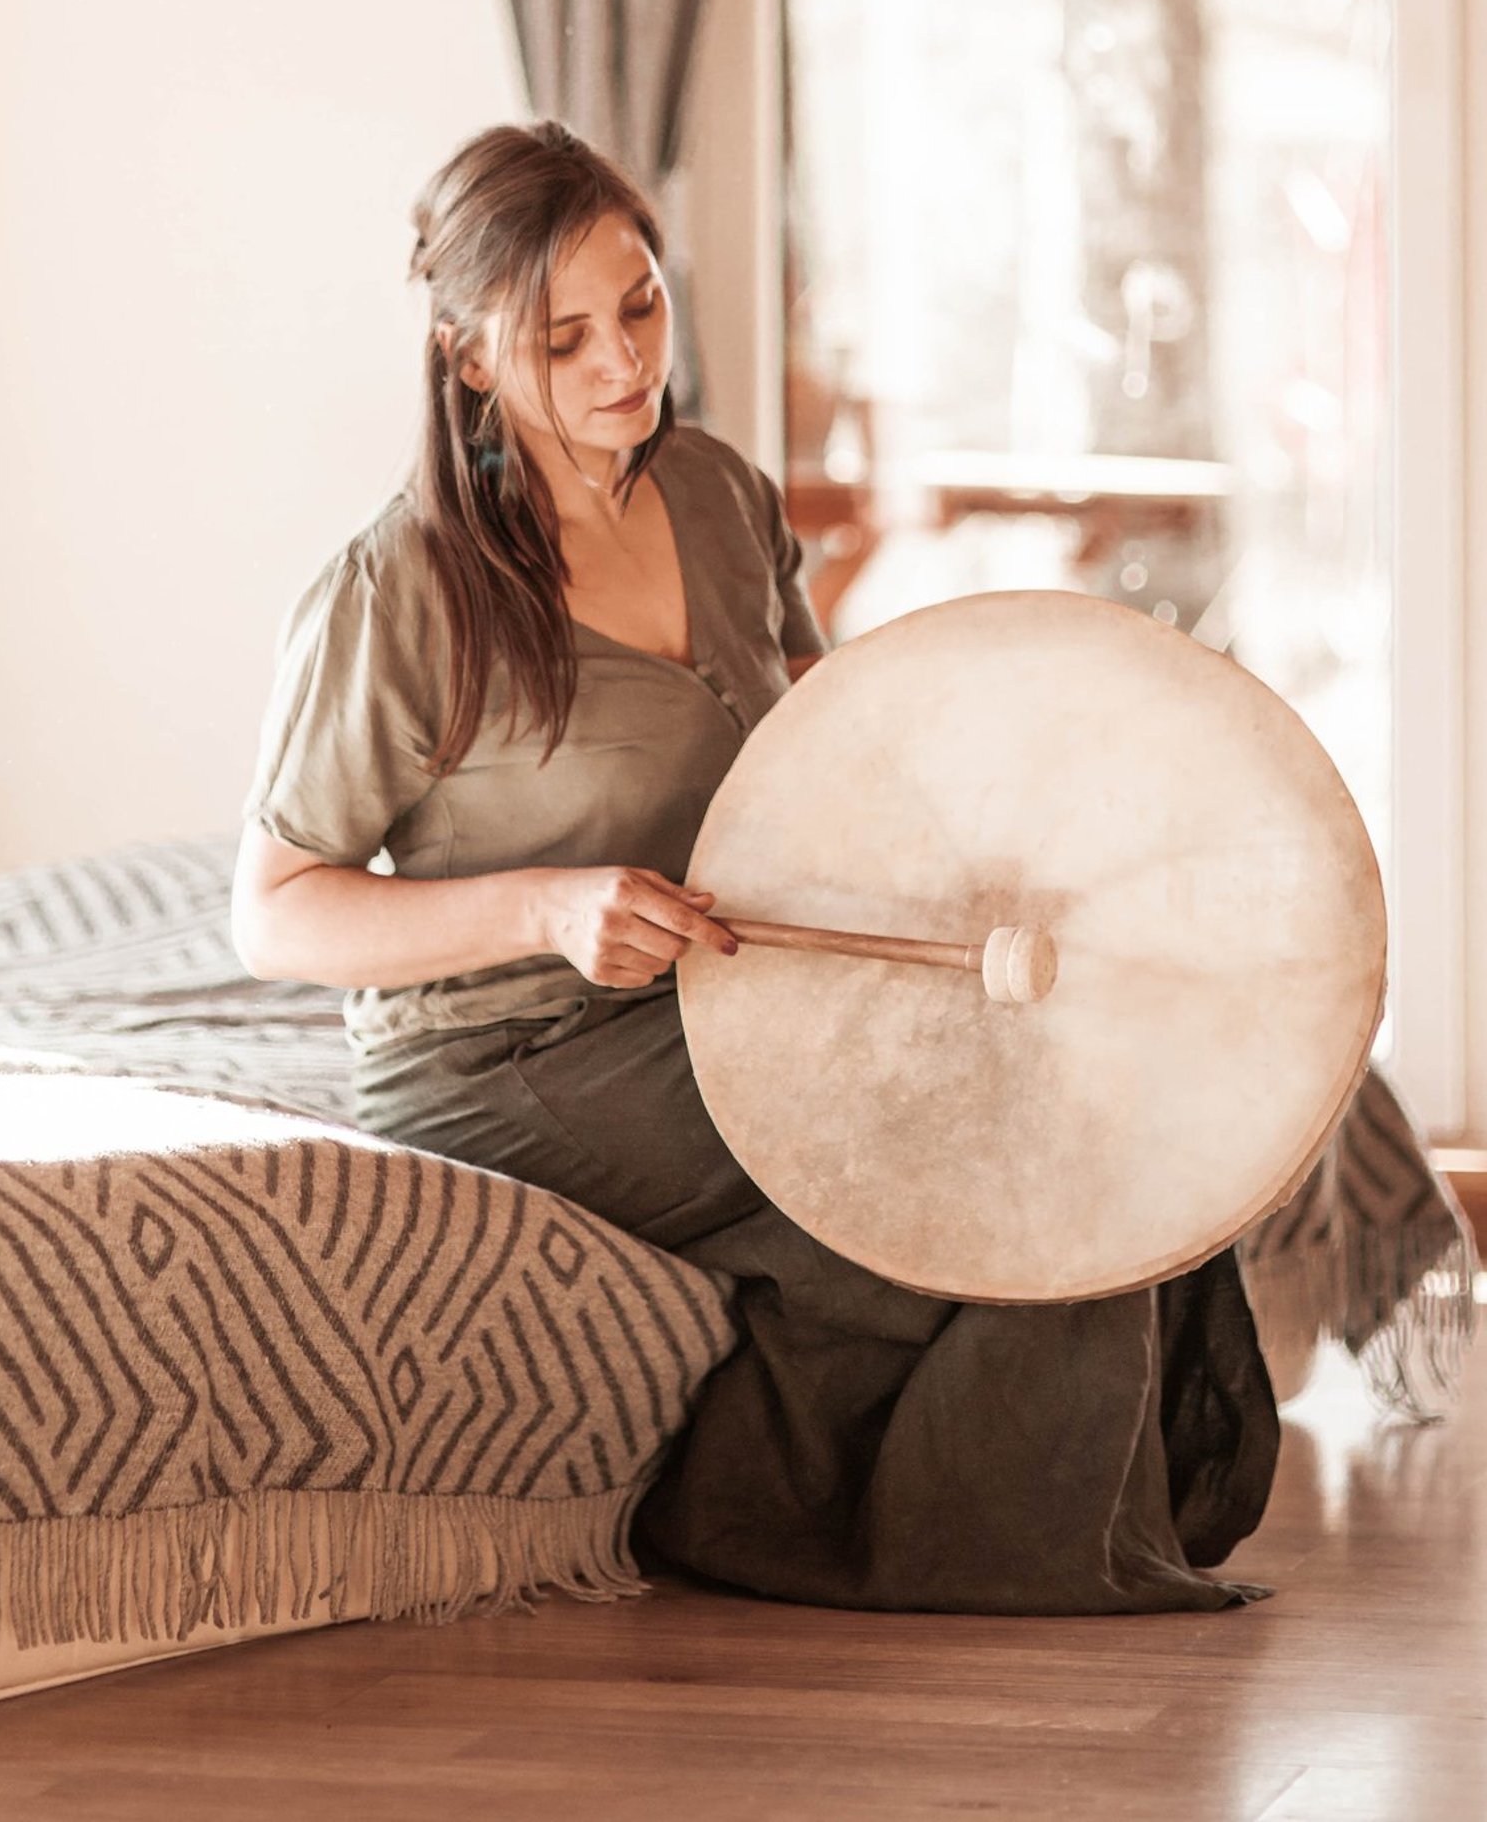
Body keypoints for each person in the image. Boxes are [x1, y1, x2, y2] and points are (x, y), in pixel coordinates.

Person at [233, 118, 1278, 1613]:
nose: (622, 361)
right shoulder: (399, 587)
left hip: (728, 978)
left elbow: (833, 744)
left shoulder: (719, 494)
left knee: (1080, 1087)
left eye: (641, 303)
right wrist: (549, 903)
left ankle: (1126, 1495)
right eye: (563, 336)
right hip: (515, 1048)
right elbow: (272, 911)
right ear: (470, 359)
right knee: (969, 1180)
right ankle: (814, 1523)